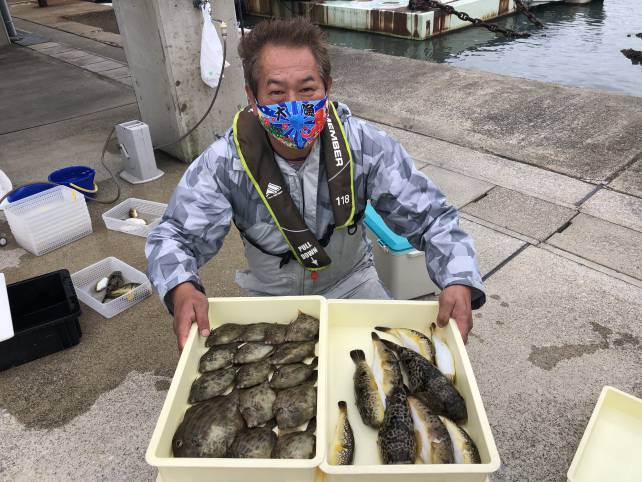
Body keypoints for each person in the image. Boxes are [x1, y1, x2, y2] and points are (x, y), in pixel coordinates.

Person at [146, 18, 485, 350]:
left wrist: (458, 277)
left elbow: (434, 217)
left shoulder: (365, 145)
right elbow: (174, 236)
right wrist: (182, 287)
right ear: (252, 96)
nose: (294, 106)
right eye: (276, 92)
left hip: (353, 284)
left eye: (307, 89)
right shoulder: (224, 162)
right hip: (272, 299)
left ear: (327, 88)